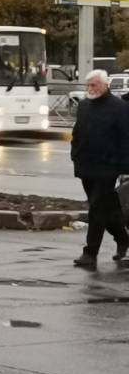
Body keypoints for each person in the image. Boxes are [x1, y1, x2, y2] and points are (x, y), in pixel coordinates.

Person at [71, 69, 129, 268]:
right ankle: (123, 238)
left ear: (105, 85)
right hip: (86, 166)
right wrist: (75, 155)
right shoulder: (84, 106)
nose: (91, 89)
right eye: (89, 85)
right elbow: (77, 132)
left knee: (96, 207)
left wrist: (124, 166)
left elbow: (125, 139)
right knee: (108, 209)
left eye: (94, 85)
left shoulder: (119, 108)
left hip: (108, 167)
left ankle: (90, 253)